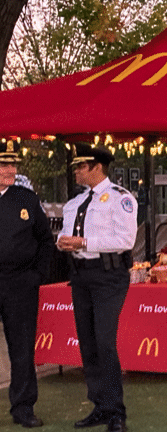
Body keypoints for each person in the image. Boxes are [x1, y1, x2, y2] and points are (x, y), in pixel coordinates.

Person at [56, 145, 137, 432]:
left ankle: (116, 412)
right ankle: (100, 405)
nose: (77, 171)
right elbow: (66, 235)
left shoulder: (121, 199)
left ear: (97, 167)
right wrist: (64, 243)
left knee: (104, 342)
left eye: (81, 167)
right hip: (81, 275)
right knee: (88, 343)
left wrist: (84, 243)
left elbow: (125, 240)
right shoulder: (74, 203)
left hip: (109, 275)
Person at [0, 140, 54, 429]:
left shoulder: (26, 198)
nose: (11, 169)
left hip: (20, 283)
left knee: (21, 347)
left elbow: (46, 240)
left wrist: (38, 275)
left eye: (13, 164)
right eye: (4, 164)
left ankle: (23, 407)